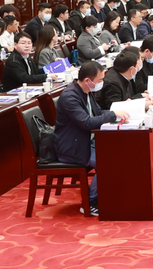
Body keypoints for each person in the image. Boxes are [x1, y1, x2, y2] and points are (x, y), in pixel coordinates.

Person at [54, 61, 125, 216]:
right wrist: (113, 115)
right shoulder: (69, 97)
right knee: (107, 162)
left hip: (88, 142)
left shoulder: (86, 92)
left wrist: (120, 111)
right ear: (88, 80)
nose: (102, 83)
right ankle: (91, 201)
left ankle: (112, 195)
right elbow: (86, 123)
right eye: (100, 80)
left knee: (120, 154)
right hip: (73, 147)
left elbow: (97, 113)